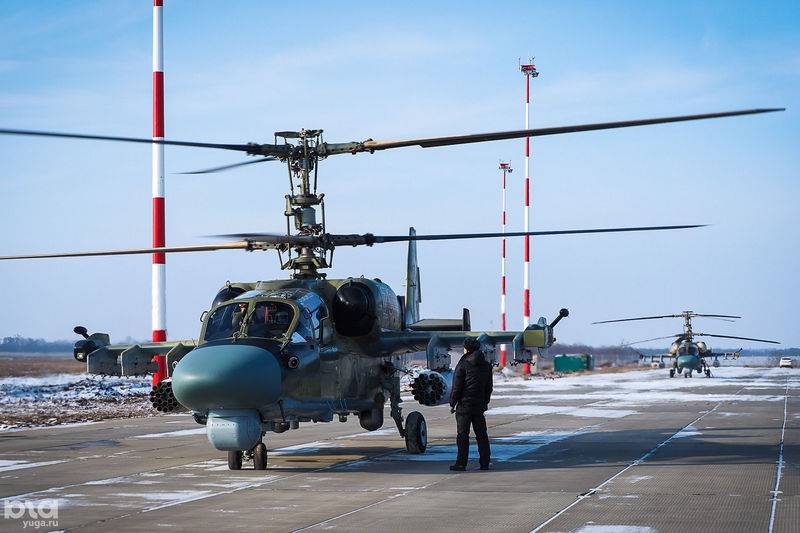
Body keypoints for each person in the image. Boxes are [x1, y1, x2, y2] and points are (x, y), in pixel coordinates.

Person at [449, 337, 493, 471]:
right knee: (482, 435)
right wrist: (485, 402)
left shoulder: (463, 365)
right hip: (479, 405)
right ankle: (484, 463)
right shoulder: (486, 365)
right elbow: (488, 387)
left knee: (462, 435)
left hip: (464, 405)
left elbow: (457, 387)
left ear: (466, 349)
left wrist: (452, 403)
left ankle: (461, 463)